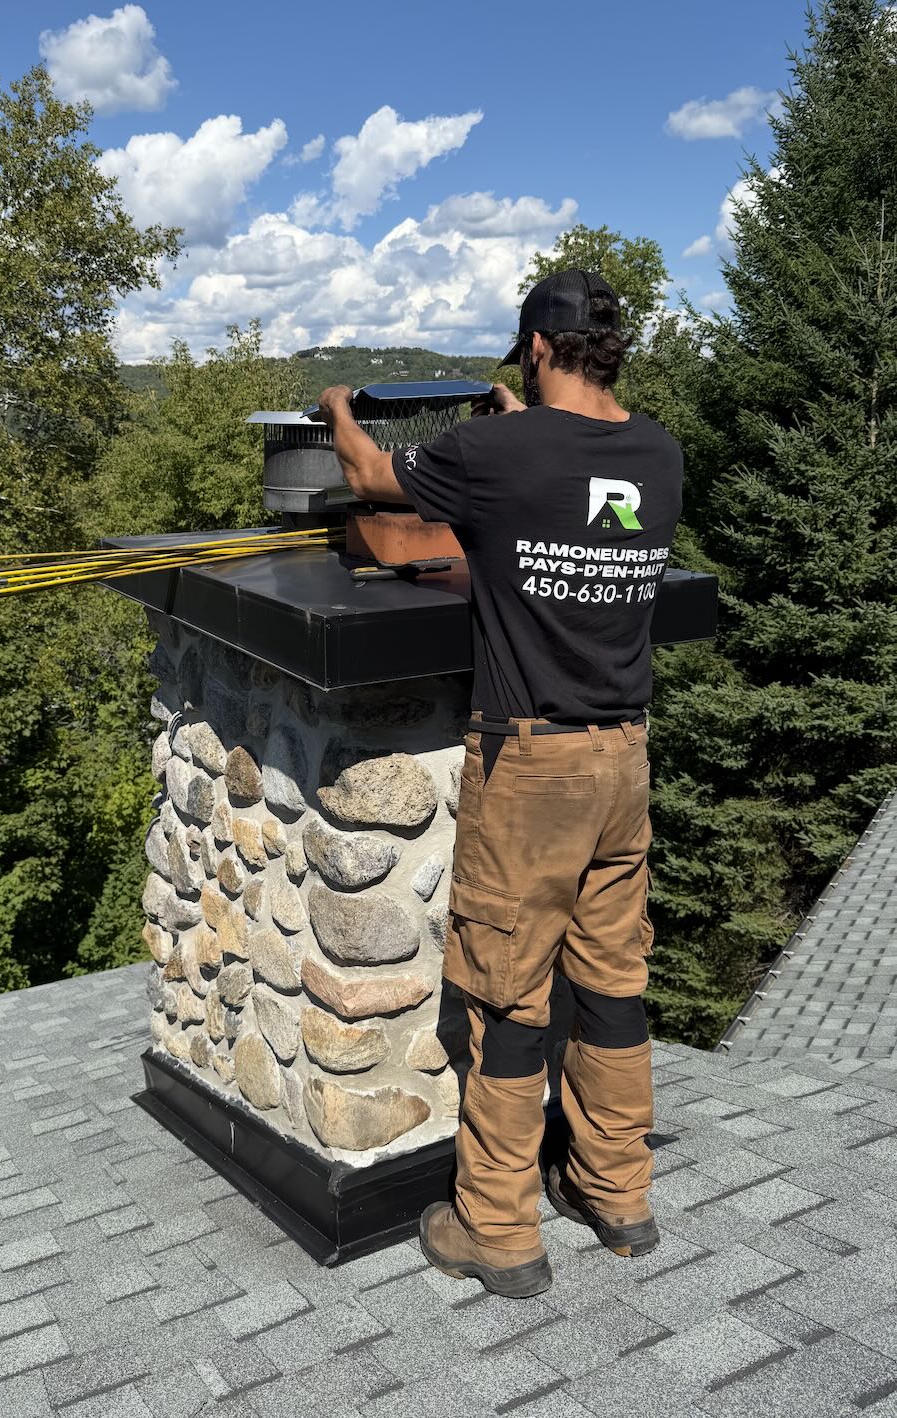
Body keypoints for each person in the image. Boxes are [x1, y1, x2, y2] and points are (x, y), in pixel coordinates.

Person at [317, 269, 683, 1299]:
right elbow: (566, 491)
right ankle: (615, 1191)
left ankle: (498, 1231)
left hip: (529, 770)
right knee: (611, 986)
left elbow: (370, 477)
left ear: (530, 348)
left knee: (505, 999)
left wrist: (341, 410)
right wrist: (517, 428)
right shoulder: (655, 451)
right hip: (622, 759)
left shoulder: (491, 452)